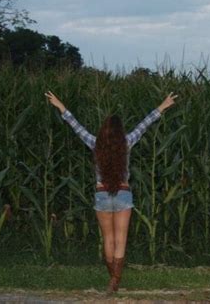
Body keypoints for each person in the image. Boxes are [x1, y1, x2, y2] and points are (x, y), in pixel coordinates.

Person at [44, 90, 178, 294]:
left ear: (104, 131)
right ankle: (115, 280)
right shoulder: (127, 141)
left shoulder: (94, 143)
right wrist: (163, 105)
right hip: (123, 194)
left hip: (102, 195)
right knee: (120, 240)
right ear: (119, 130)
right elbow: (145, 124)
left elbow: (76, 126)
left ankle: (113, 280)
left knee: (108, 239)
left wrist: (60, 106)